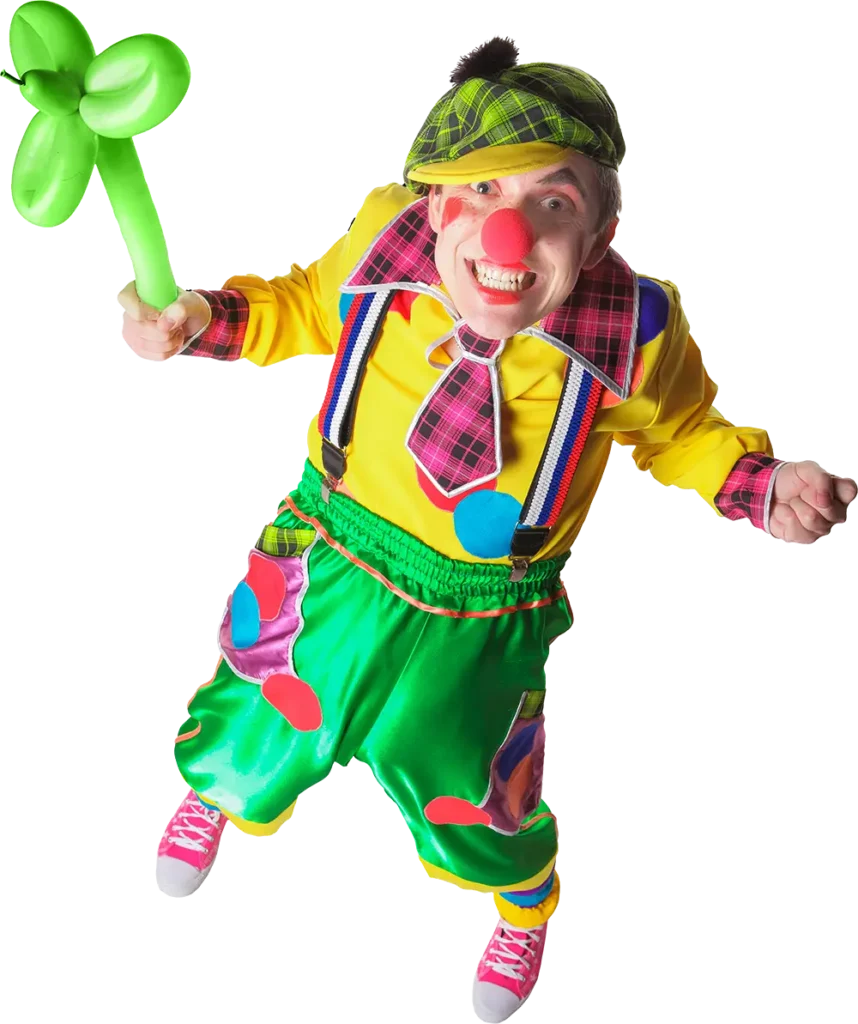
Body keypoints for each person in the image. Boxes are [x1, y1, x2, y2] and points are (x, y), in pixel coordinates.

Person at [131, 39, 854, 1023]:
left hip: (486, 608)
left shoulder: (636, 330)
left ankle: (523, 901)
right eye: (479, 192)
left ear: (599, 234)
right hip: (333, 549)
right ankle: (216, 795)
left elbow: (683, 435)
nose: (507, 234)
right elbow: (303, 309)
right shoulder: (388, 240)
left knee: (471, 778)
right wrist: (200, 320)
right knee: (263, 700)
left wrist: (766, 486)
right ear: (435, 204)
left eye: (553, 203)